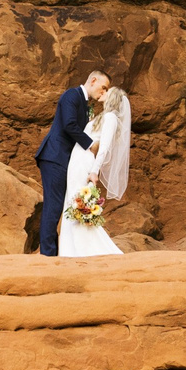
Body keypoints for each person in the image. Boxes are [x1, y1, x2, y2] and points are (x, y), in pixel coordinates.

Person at [34, 70, 109, 256]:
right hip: (54, 157)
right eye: (103, 87)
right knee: (53, 206)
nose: (103, 92)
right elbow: (69, 125)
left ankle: (52, 252)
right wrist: (91, 145)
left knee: (57, 205)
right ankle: (47, 255)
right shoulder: (71, 95)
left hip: (62, 159)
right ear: (93, 80)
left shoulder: (84, 104)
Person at [55, 81, 132, 258]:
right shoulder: (103, 116)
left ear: (112, 97)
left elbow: (103, 148)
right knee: (71, 202)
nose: (103, 92)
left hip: (85, 162)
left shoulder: (111, 118)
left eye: (107, 90)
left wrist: (94, 171)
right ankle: (69, 250)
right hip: (77, 160)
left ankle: (85, 251)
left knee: (77, 204)